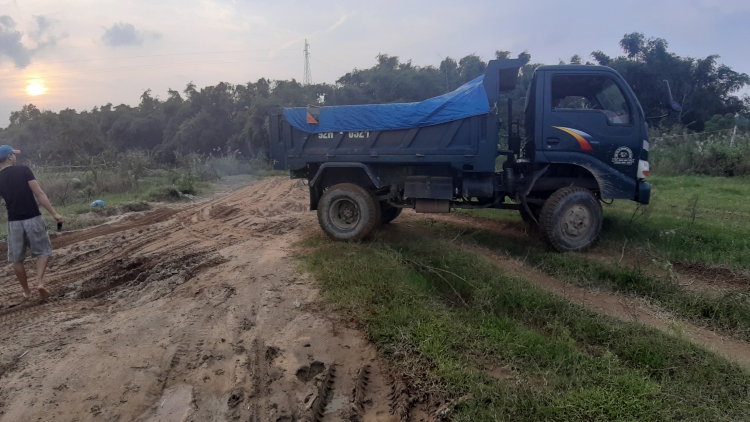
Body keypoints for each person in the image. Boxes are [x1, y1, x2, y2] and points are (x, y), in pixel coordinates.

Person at [0, 146, 63, 300]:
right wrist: (54, 213)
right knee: (43, 252)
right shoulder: (24, 170)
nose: (15, 157)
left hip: (13, 222)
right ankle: (40, 282)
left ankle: (27, 291)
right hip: (33, 218)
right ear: (9, 157)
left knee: (17, 259)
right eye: (14, 155)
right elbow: (39, 193)